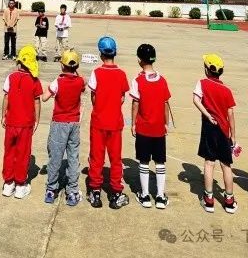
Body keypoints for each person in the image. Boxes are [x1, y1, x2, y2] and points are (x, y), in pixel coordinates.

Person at [87, 36, 130, 210]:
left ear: (100, 53)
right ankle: (116, 192)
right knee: (115, 158)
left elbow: (93, 96)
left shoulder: (97, 73)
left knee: (96, 157)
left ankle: (95, 191)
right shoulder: (121, 74)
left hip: (98, 121)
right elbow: (121, 97)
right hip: (115, 122)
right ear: (115, 52)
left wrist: (101, 107)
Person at [193, 54, 237, 214]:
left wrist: (207, 114)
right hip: (224, 130)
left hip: (210, 128)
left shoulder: (202, 83)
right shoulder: (226, 90)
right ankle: (229, 199)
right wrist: (233, 135)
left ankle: (209, 198)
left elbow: (196, 100)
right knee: (226, 165)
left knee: (209, 162)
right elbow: (230, 113)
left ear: (206, 69)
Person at [129, 44, 171, 209]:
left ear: (139, 60)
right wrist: (166, 123)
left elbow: (135, 104)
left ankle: (145, 195)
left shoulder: (138, 81)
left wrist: (133, 123)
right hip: (159, 128)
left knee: (144, 161)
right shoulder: (162, 80)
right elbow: (165, 104)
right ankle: (160, 196)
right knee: (160, 162)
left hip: (143, 128)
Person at [42, 49, 85, 206]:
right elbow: (83, 83)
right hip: (74, 124)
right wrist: (76, 71)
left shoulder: (58, 82)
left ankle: (51, 189)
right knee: (73, 157)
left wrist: (50, 88)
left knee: (55, 156)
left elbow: (44, 98)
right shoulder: (80, 82)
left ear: (62, 65)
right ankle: (72, 191)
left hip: (59, 123)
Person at [1, 45, 43, 199]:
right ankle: (20, 184)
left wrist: (3, 115)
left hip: (11, 122)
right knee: (23, 153)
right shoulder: (34, 80)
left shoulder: (10, 77)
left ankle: (8, 183)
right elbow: (37, 102)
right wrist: (37, 119)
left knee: (9, 151)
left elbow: (6, 98)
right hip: (26, 124)